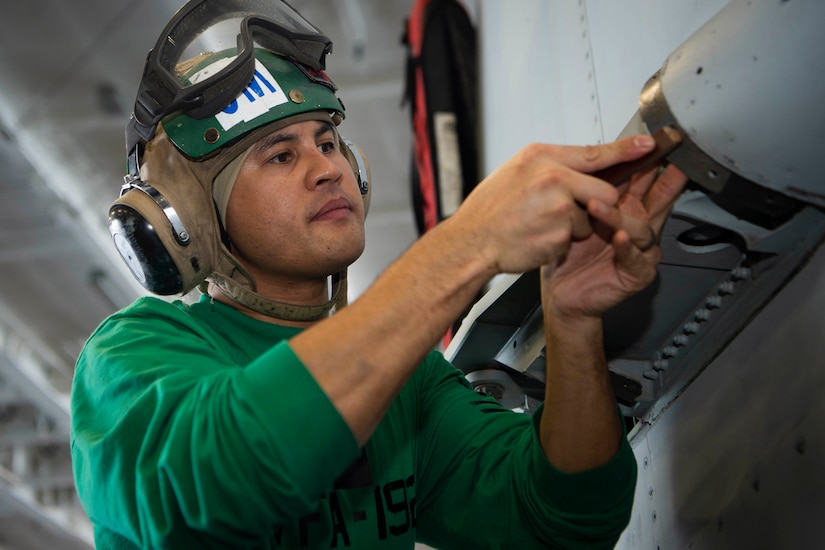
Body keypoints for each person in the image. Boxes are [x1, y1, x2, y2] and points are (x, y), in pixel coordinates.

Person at [70, 1, 687, 548]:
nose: (327, 169)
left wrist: (573, 323)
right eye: (281, 155)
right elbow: (225, 479)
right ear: (197, 215)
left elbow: (561, 524)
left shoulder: (408, 379)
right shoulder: (131, 356)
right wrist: (465, 245)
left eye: (329, 143)